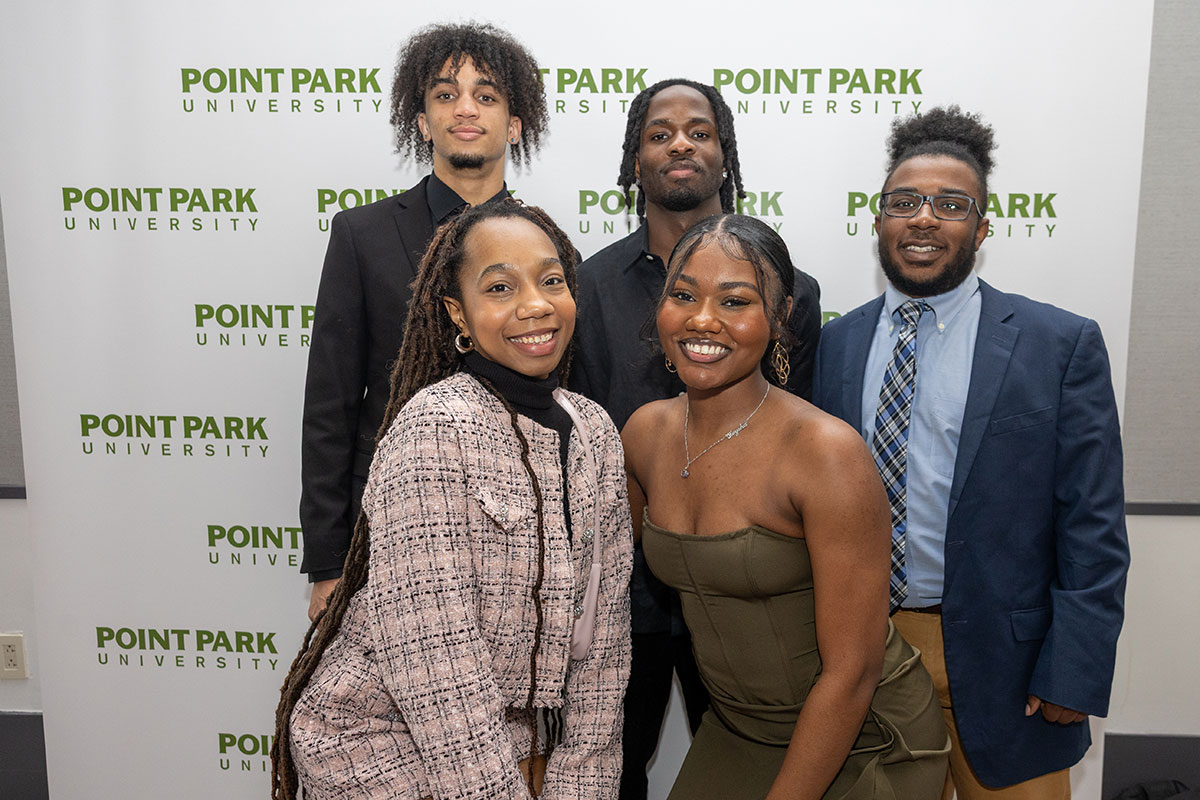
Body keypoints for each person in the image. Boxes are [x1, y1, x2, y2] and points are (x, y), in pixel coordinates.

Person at [813, 106, 1129, 798]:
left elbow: (1093, 525)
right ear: (878, 221)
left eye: (951, 205)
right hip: (866, 658)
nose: (924, 218)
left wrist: (1072, 671)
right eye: (905, 202)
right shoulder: (835, 345)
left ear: (982, 229)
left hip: (1008, 669)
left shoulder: (1059, 345)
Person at [272, 200, 632, 800]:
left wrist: (581, 787)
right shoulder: (434, 427)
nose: (535, 304)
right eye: (499, 287)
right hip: (376, 747)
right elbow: (438, 666)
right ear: (457, 314)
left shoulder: (594, 431)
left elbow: (605, 648)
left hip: (511, 745)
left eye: (551, 280)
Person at [623, 214, 948, 800]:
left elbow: (852, 674)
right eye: (684, 295)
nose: (703, 319)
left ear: (778, 318)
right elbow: (596, 573)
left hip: (863, 734)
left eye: (735, 300)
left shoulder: (825, 453)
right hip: (736, 728)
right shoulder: (645, 434)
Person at [569, 78, 822, 798]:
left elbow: (792, 439)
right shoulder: (586, 288)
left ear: (724, 151)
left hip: (748, 597)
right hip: (626, 601)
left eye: (699, 131)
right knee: (607, 779)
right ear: (635, 160)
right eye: (659, 133)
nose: (681, 143)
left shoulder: (790, 286)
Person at [301, 22, 550, 621]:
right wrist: (330, 561)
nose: (465, 108)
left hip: (512, 526)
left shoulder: (543, 243)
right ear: (422, 121)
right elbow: (329, 406)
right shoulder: (361, 235)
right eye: (445, 94)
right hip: (385, 522)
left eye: (486, 95)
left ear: (514, 124)